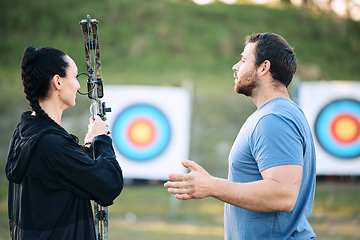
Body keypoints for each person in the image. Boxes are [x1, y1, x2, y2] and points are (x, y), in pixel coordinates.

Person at [164, 33, 316, 239]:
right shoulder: (280, 113)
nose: (235, 66)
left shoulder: (274, 119)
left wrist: (211, 186)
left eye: (243, 60)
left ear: (264, 67)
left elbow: (283, 195)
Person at [6, 46, 124, 239]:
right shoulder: (51, 144)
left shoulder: (23, 133)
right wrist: (101, 140)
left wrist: (88, 146)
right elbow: (110, 184)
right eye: (75, 77)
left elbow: (63, 178)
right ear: (58, 82)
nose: (78, 85)